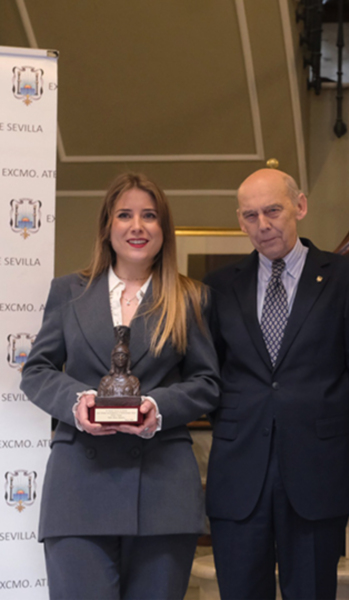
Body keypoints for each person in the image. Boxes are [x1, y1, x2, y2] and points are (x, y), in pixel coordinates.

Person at [20, 172, 220, 600]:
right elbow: (36, 370)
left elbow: (206, 383)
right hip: (78, 490)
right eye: (125, 215)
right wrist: (76, 403)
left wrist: (157, 408)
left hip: (162, 491)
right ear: (107, 226)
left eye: (150, 216)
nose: (137, 226)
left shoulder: (191, 297)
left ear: (164, 229)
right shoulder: (68, 292)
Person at [204, 168, 349, 600]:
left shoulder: (346, 278)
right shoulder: (219, 286)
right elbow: (209, 375)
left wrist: (329, 435)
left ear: (299, 206)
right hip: (239, 471)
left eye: (273, 211)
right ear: (240, 221)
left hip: (319, 470)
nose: (263, 225)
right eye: (250, 216)